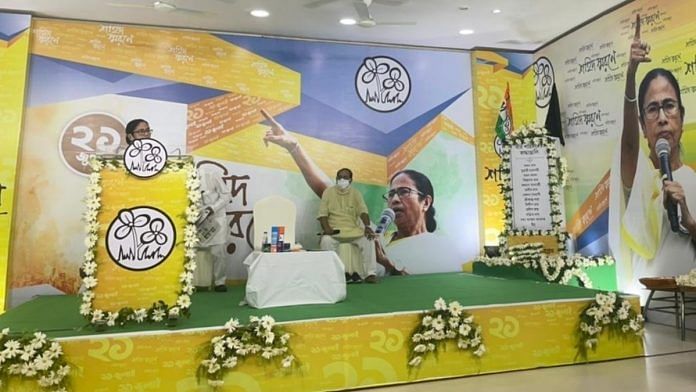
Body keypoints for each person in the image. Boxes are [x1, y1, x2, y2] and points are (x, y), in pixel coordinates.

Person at [614, 14, 696, 295]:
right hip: (648, 315)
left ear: (681, 118)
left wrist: (688, 220)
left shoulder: (693, 181)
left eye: (669, 106)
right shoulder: (638, 179)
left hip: (689, 318)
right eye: (652, 109)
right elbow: (628, 147)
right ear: (643, 126)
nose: (662, 118)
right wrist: (630, 76)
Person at [375, 169, 458, 275]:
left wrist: (390, 266)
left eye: (404, 192)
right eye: (391, 194)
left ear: (426, 203)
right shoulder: (380, 239)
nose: (394, 199)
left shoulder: (442, 248)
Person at [318, 168, 378, 283]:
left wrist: (367, 226)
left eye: (345, 177)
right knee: (326, 241)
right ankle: (332, 275)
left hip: (353, 230)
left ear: (350, 180)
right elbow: (322, 214)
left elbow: (363, 211)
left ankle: (370, 274)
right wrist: (327, 229)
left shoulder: (356, 193)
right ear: (336, 179)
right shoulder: (328, 192)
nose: (342, 179)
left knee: (368, 239)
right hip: (335, 231)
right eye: (339, 177)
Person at [196, 166, 232, 292]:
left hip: (216, 218)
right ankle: (197, 281)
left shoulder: (211, 174)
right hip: (197, 220)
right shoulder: (181, 180)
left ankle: (219, 282)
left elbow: (227, 195)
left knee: (219, 251)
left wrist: (213, 208)